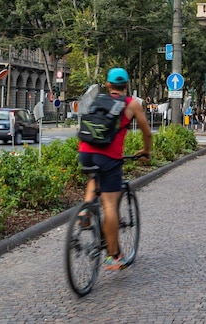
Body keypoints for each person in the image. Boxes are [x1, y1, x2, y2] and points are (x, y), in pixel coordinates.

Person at [78, 67, 152, 271]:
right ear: (127, 85)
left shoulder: (96, 98)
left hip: (85, 151)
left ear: (108, 84)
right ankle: (113, 256)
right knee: (110, 205)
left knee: (94, 178)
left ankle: (84, 213)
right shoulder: (132, 104)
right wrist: (146, 151)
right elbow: (147, 132)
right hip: (109, 156)